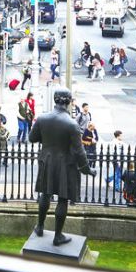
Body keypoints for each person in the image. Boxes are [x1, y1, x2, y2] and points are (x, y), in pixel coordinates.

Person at [30, 90, 96, 245]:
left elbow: (32, 138)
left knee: (45, 194)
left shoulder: (42, 118)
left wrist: (46, 137)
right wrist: (87, 169)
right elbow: (80, 151)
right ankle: (58, 236)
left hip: (46, 161)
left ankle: (40, 226)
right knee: (62, 199)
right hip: (65, 164)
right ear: (69, 102)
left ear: (55, 100)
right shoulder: (72, 124)